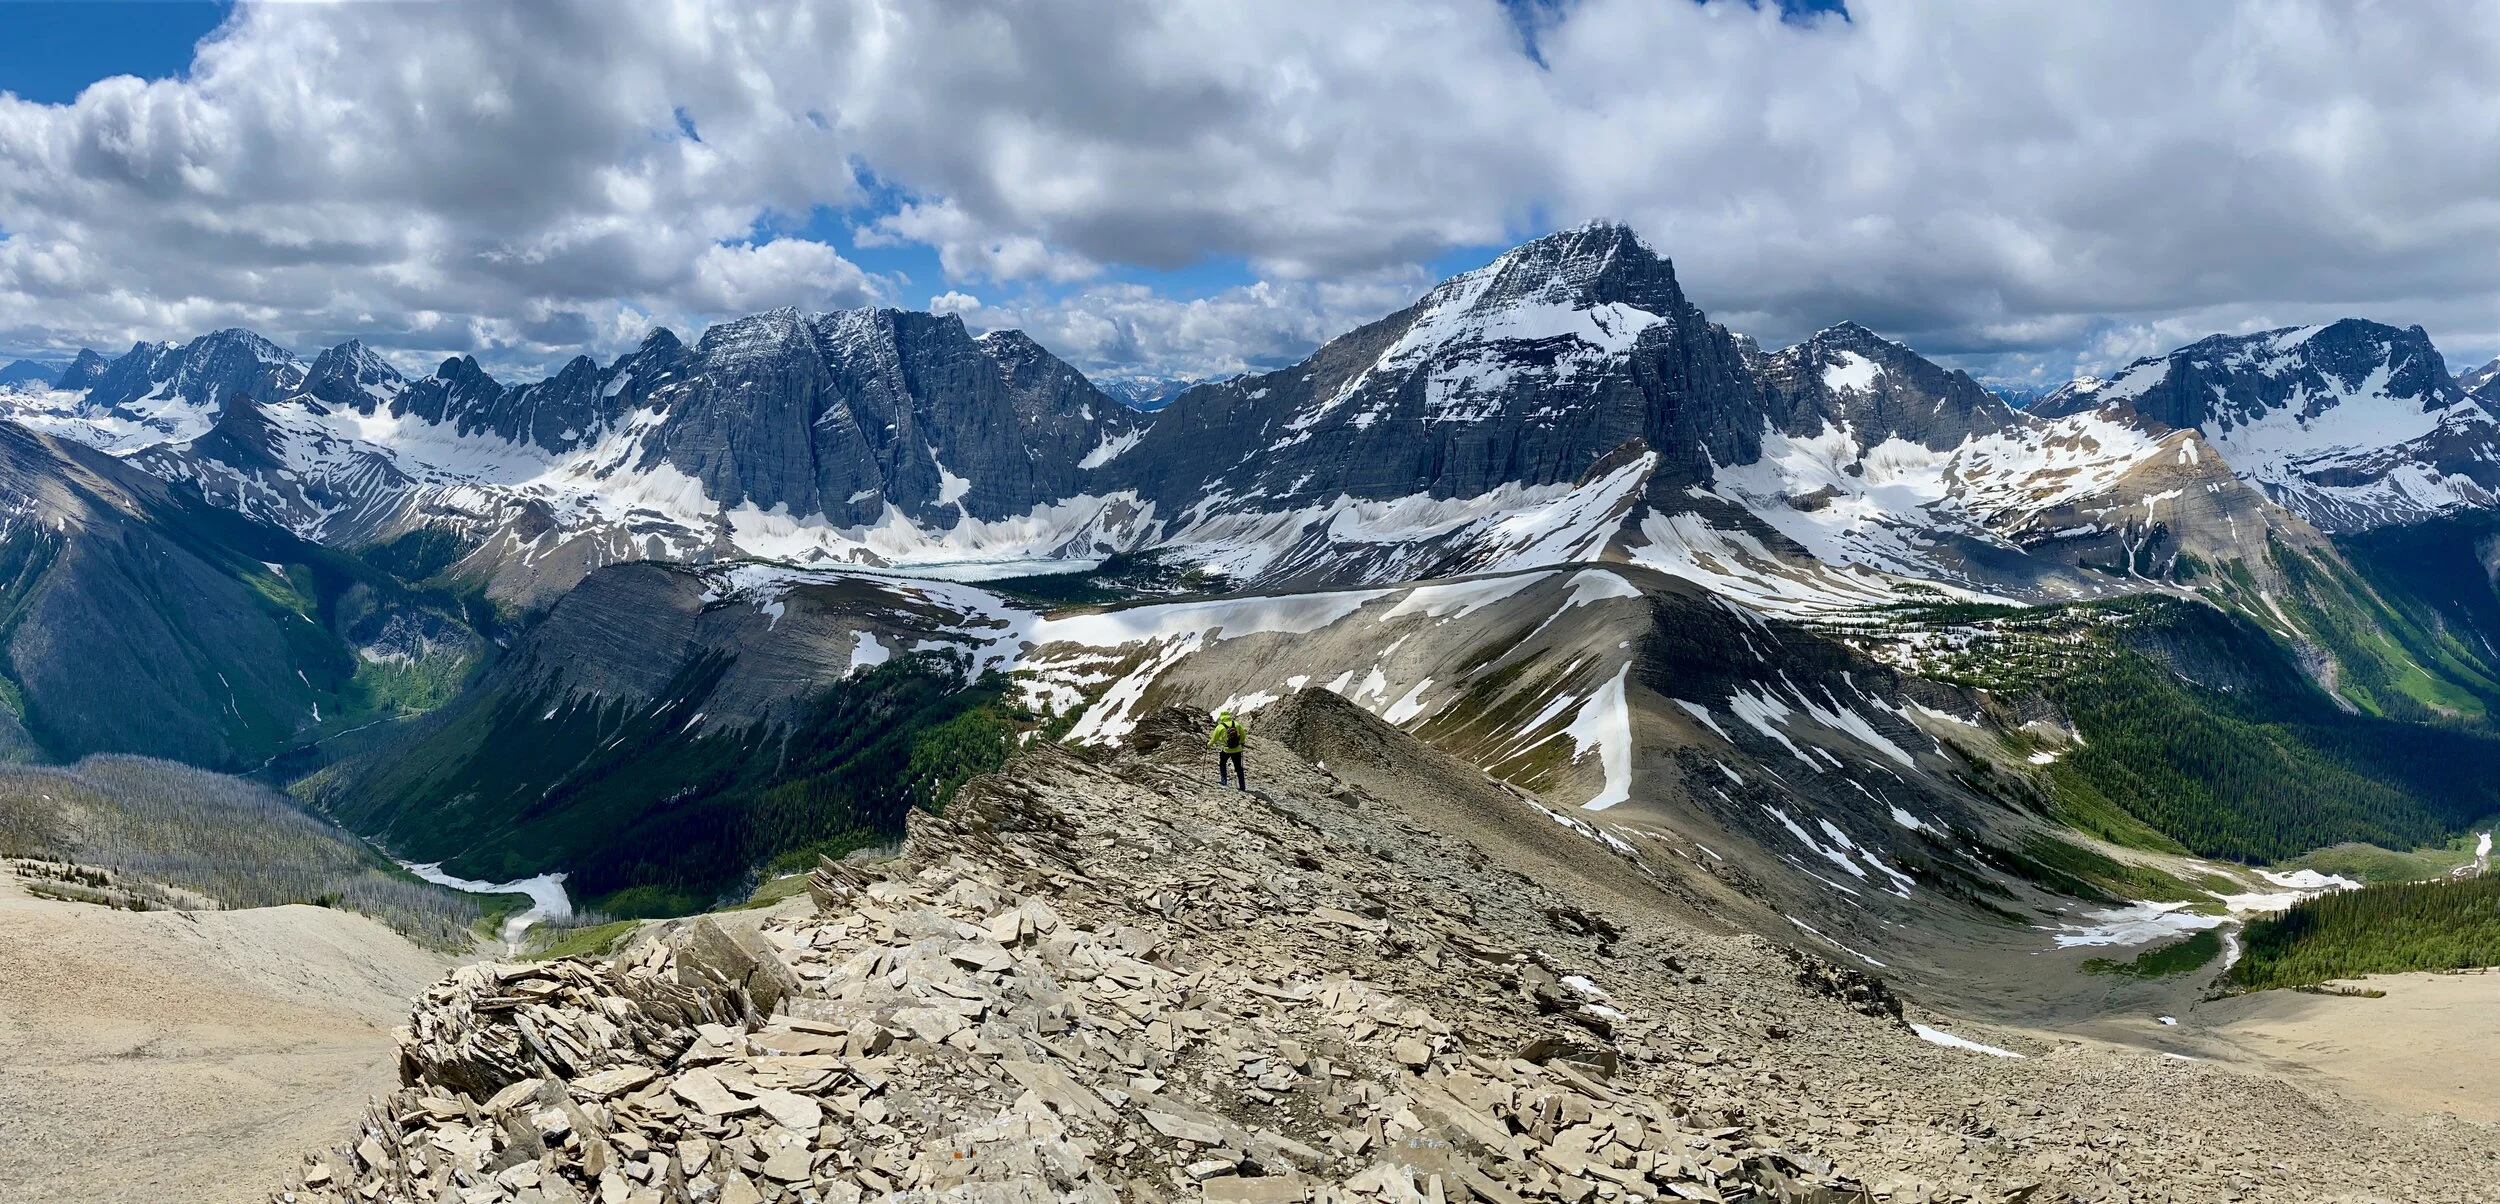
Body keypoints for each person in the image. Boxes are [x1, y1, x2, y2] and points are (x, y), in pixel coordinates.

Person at [1208, 708, 1249, 790]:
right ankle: (1242, 786)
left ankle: (1224, 781)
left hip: (1226, 750)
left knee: (1222, 764)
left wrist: (1209, 745)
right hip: (1237, 749)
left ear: (1221, 717)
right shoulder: (1236, 724)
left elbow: (1214, 739)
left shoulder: (1220, 727)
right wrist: (1241, 742)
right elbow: (1243, 735)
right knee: (1239, 768)